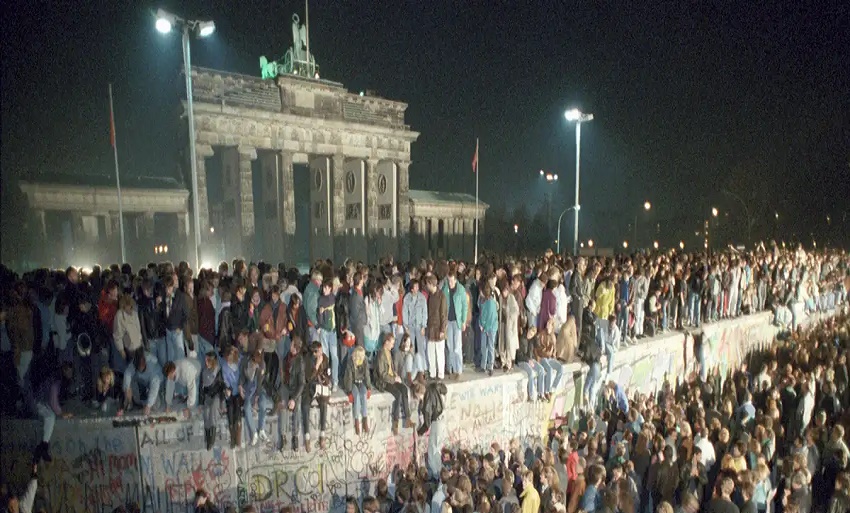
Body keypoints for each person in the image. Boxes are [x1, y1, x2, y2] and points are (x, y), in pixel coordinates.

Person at [32, 362, 73, 463]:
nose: (70, 373)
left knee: (50, 416)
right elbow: (53, 400)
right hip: (39, 402)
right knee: (50, 417)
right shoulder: (57, 379)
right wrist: (61, 413)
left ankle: (42, 448)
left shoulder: (60, 379)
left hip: (42, 402)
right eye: (68, 370)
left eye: (71, 371)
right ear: (63, 370)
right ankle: (44, 447)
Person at [374, 332, 413, 434]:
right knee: (398, 394)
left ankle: (407, 419)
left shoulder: (388, 352)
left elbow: (391, 369)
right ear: (386, 342)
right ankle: (395, 422)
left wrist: (396, 375)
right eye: (391, 343)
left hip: (391, 378)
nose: (393, 345)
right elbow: (382, 374)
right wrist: (394, 379)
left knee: (404, 389)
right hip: (384, 381)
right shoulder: (381, 354)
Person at [413, 380, 448, 479]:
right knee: (437, 449)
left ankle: (436, 476)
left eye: (417, 396)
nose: (418, 399)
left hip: (436, 423)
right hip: (443, 419)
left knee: (432, 452)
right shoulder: (433, 387)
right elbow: (445, 389)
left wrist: (419, 432)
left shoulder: (426, 402)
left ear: (420, 393)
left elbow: (427, 424)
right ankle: (440, 474)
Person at [302, 341, 331, 452]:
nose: (321, 353)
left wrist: (325, 380)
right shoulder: (307, 360)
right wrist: (317, 366)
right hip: (309, 387)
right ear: (314, 353)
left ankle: (322, 435)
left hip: (320, 386)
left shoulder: (326, 358)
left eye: (321, 350)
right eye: (319, 351)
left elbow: (329, 374)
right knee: (305, 406)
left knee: (324, 404)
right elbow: (308, 378)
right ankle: (307, 437)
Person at [278, 336, 305, 452]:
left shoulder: (300, 362)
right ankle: (283, 437)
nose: (290, 345)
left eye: (292, 344)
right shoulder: (286, 357)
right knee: (283, 406)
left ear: (296, 348)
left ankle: (295, 437)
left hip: (296, 389)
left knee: (297, 408)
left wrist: (293, 398)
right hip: (286, 386)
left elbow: (302, 384)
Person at [442, 272, 469, 379]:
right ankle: (452, 369)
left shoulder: (461, 289)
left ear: (456, 280)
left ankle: (459, 369)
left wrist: (463, 321)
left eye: (452, 280)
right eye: (449, 280)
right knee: (450, 346)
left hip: (457, 322)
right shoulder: (445, 289)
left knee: (457, 347)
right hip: (448, 321)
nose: (450, 283)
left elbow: (464, 307)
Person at [240, 346, 267, 446]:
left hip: (259, 388)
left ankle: (262, 429)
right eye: (255, 364)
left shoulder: (262, 365)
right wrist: (240, 385)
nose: (256, 365)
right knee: (246, 407)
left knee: (263, 403)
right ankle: (254, 432)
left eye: (258, 364)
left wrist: (256, 398)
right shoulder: (245, 362)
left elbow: (259, 382)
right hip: (249, 388)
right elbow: (242, 376)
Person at [342, 345, 372, 435]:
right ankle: (356, 420)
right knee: (357, 397)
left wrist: (369, 387)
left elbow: (367, 374)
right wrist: (349, 391)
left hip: (361, 381)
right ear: (357, 355)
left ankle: (364, 419)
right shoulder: (350, 362)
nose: (363, 358)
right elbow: (349, 378)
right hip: (352, 382)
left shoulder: (365, 360)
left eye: (363, 356)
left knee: (363, 394)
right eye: (361, 356)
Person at [122, 350, 162, 416]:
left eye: (140, 368)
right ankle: (137, 402)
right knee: (135, 396)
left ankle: (147, 404)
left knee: (156, 405)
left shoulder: (153, 369)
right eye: (137, 368)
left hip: (153, 384)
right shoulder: (134, 363)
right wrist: (127, 388)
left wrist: (148, 405)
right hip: (140, 382)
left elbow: (154, 388)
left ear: (144, 364)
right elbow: (127, 373)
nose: (138, 369)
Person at [200, 351, 225, 450]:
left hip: (217, 395)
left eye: (209, 360)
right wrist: (201, 402)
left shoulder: (218, 371)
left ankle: (212, 439)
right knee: (206, 414)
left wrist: (222, 404)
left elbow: (222, 386)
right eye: (206, 360)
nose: (206, 362)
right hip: (207, 395)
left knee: (213, 414)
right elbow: (201, 388)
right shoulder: (204, 372)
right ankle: (207, 436)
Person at [112, 293, 143, 374]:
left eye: (130, 305)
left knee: (140, 369)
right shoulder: (119, 315)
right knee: (131, 370)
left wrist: (140, 340)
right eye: (127, 306)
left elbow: (138, 328)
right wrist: (121, 350)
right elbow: (117, 335)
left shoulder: (135, 313)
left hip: (138, 347)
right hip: (129, 348)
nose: (129, 308)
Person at [317, 279, 339, 390]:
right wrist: (320, 325)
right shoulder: (321, 299)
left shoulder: (334, 298)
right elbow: (320, 317)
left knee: (334, 357)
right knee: (326, 357)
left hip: (333, 331)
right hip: (325, 331)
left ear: (330, 288)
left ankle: (335, 381)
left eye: (326, 288)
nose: (324, 290)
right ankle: (327, 379)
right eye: (323, 288)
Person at [403, 279, 429, 375]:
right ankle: (412, 369)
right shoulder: (407, 298)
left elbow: (425, 313)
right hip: (410, 326)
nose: (417, 288)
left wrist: (423, 326)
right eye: (415, 287)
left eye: (418, 286)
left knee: (421, 348)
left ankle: (422, 370)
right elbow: (404, 312)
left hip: (419, 326)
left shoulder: (422, 298)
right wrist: (406, 327)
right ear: (411, 289)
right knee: (411, 347)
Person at [221, 343, 244, 449]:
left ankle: (238, 437)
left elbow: (243, 376)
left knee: (237, 411)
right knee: (230, 410)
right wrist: (227, 389)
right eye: (227, 358)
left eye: (230, 359)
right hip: (230, 391)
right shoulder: (224, 365)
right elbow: (225, 379)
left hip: (239, 391)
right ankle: (232, 438)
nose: (228, 361)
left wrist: (240, 385)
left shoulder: (240, 362)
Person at [426, 275, 448, 380]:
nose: (426, 286)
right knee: (431, 352)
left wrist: (442, 330)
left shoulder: (442, 296)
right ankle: (432, 373)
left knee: (440, 353)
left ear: (431, 284)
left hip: (439, 328)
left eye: (427, 284)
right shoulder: (430, 296)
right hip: (431, 327)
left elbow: (444, 314)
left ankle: (440, 374)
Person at [479, 281, 499, 376]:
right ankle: (483, 365)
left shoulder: (491, 302)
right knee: (484, 346)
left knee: (490, 346)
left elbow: (491, 317)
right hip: (484, 327)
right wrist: (480, 324)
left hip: (490, 328)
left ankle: (490, 366)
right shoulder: (483, 300)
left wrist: (485, 328)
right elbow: (481, 314)